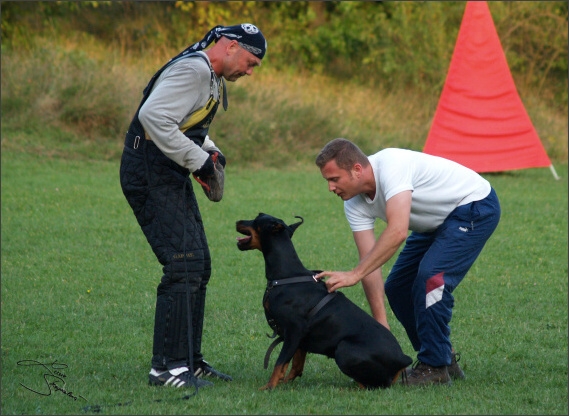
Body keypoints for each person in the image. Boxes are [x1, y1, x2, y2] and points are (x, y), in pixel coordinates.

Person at [119, 24, 267, 389]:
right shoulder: (194, 70)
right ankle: (166, 369)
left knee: (199, 264)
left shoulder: (210, 75)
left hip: (166, 171)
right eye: (249, 63)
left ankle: (188, 362)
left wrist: (209, 149)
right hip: (150, 172)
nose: (248, 72)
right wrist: (199, 162)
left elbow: (184, 121)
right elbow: (154, 117)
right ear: (231, 47)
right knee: (183, 264)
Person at [314, 138, 501, 386]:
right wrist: (382, 330)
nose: (330, 188)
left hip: (473, 206)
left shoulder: (392, 165)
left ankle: (435, 366)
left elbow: (398, 231)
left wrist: (354, 274)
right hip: (434, 223)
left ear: (357, 170)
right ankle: (443, 358)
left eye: (334, 179)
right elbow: (369, 263)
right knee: (397, 287)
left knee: (431, 279)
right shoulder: (353, 203)